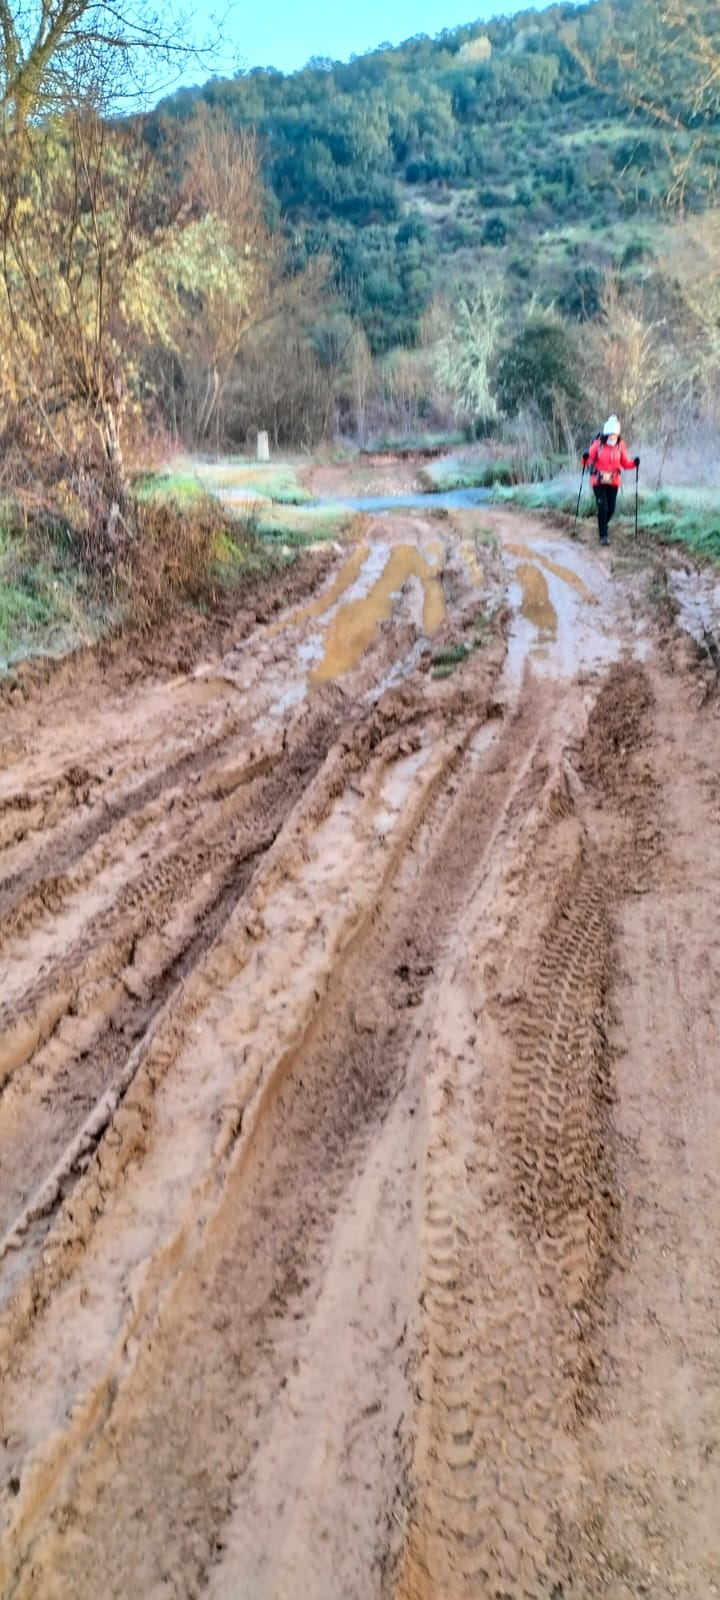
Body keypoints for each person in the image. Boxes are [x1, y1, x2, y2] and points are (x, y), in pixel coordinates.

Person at [582, 416, 639, 546]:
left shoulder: (620, 445)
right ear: (606, 433)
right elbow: (587, 460)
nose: (612, 437)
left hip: (613, 481)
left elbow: (625, 463)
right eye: (610, 434)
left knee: (611, 509)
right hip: (598, 480)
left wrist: (634, 463)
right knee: (603, 507)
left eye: (615, 434)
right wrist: (585, 458)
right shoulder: (598, 444)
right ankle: (603, 535)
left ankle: (602, 525)